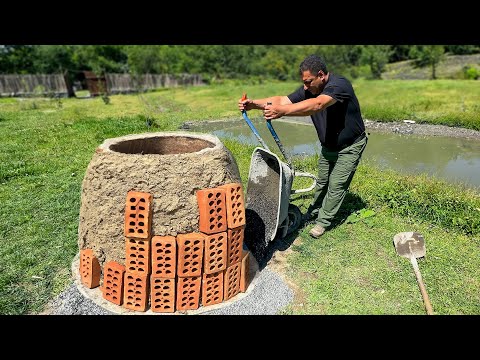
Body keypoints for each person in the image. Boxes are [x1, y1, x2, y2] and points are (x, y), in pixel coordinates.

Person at [238, 54, 368, 238]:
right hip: (329, 145)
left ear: (321, 75)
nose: (305, 87)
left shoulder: (339, 85)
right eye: (304, 83)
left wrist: (282, 112)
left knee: (336, 184)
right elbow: (282, 100)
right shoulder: (310, 89)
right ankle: (313, 213)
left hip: (350, 146)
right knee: (323, 182)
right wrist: (254, 105)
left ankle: (323, 222)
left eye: (308, 82)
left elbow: (318, 105)